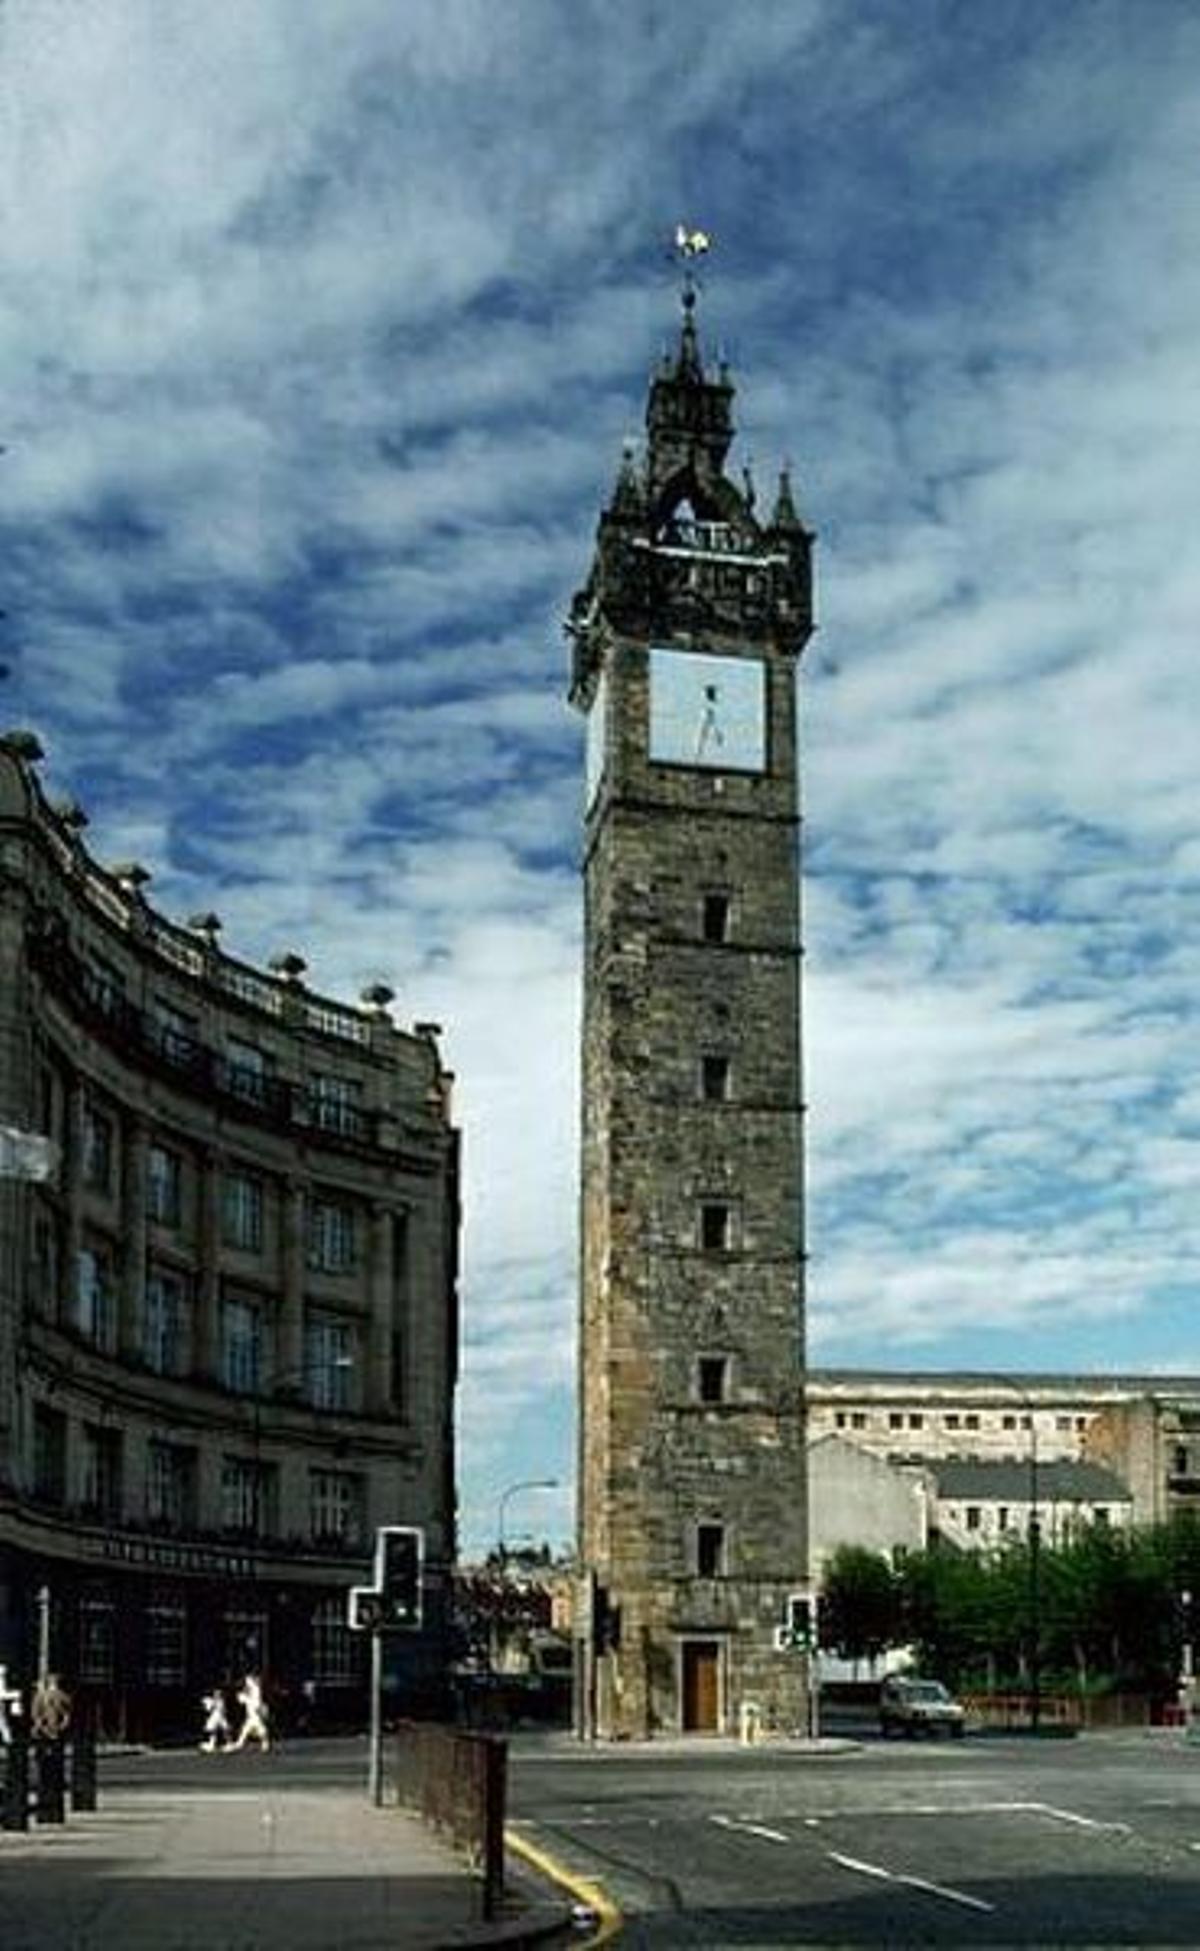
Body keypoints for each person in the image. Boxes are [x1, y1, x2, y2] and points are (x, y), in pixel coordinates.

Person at [230, 1671, 270, 1751]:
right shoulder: (251, 1689)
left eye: (248, 1681)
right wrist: (243, 1695)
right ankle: (240, 1743)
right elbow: (243, 1698)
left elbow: (254, 1701)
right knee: (246, 1729)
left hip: (255, 1713)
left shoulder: (256, 1689)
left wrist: (244, 1697)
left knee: (259, 1728)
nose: (246, 1682)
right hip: (251, 1713)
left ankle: (265, 1744)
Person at [199, 1687, 230, 1752]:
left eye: (219, 1693)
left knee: (225, 1730)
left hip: (219, 1717)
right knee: (212, 1731)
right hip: (215, 1717)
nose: (217, 1694)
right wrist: (210, 1704)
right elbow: (208, 1710)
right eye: (216, 1693)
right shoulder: (213, 1700)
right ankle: (212, 1744)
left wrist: (211, 1704)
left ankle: (228, 1743)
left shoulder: (220, 1701)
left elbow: (222, 1710)